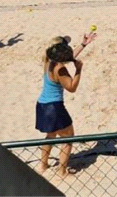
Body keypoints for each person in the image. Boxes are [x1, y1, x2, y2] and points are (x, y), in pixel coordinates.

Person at [36, 36, 93, 176]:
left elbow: (68, 56)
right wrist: (78, 70)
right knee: (68, 138)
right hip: (54, 107)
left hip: (42, 105)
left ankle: (43, 165)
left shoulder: (48, 60)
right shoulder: (61, 69)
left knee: (50, 135)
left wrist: (83, 45)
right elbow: (71, 87)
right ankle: (62, 171)